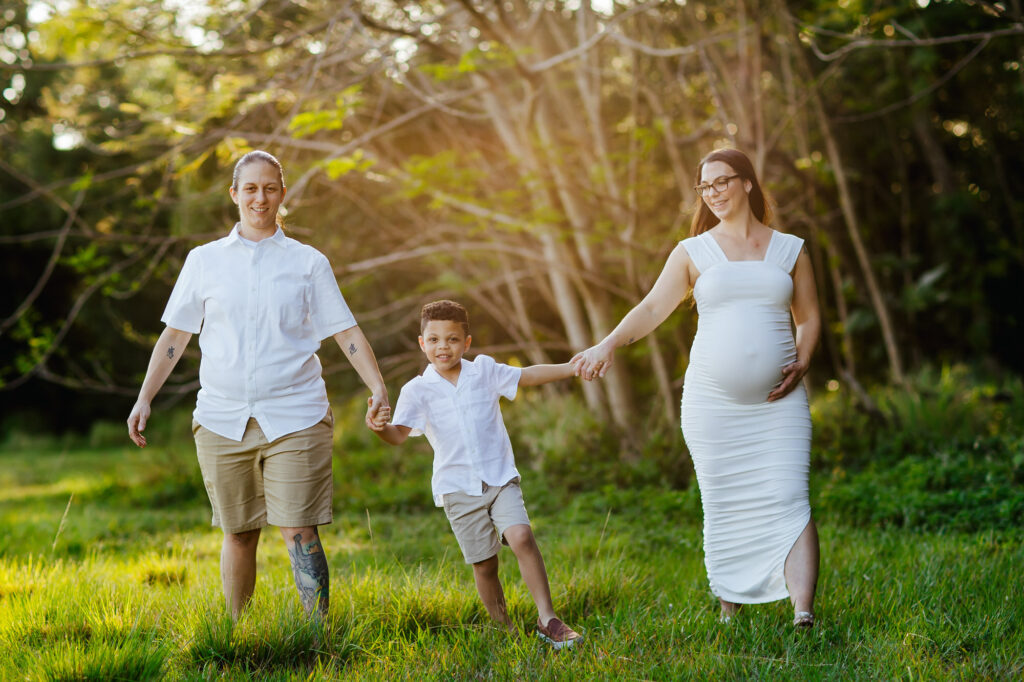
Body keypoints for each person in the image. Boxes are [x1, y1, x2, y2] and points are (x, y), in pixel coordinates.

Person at [127, 150, 389, 622]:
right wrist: (145, 397)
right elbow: (175, 335)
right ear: (234, 194)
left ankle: (318, 636)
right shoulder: (204, 261)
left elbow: (345, 331)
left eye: (270, 187)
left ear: (282, 194)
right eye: (250, 188)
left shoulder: (308, 263)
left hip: (297, 414)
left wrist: (378, 387)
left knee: (299, 529)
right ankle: (236, 632)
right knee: (239, 531)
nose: (260, 197)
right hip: (222, 418)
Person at [572, 148, 821, 628]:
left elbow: (808, 316)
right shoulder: (693, 251)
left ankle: (802, 612)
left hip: (780, 402)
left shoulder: (790, 248)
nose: (714, 193)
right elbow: (649, 310)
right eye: (705, 187)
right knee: (723, 501)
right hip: (713, 404)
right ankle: (730, 610)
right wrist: (607, 345)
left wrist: (804, 358)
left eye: (723, 181)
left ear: (747, 183)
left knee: (791, 496)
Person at [367, 300, 583, 648]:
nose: (443, 347)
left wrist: (573, 367)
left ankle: (548, 620)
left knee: (523, 538)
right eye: (434, 340)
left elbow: (528, 375)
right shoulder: (417, 391)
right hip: (457, 489)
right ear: (422, 343)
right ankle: (505, 629)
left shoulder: (483, 371)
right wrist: (378, 428)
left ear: (466, 343)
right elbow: (397, 435)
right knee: (485, 565)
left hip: (498, 478)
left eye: (452, 339)